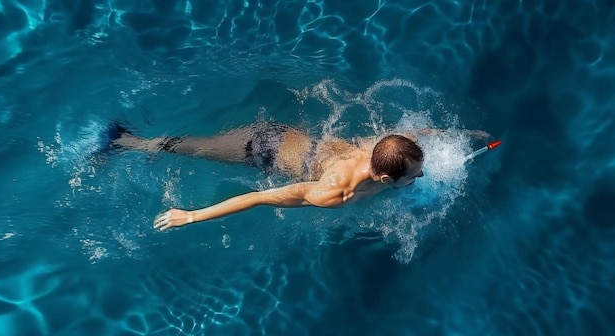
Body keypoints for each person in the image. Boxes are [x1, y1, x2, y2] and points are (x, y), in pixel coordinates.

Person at [111, 121, 488, 230]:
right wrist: (191, 215)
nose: (420, 179)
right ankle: (127, 141)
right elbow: (259, 197)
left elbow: (417, 133)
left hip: (292, 136)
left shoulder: (388, 147)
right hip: (263, 149)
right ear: (387, 178)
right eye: (414, 176)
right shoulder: (333, 193)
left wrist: (466, 135)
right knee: (194, 147)